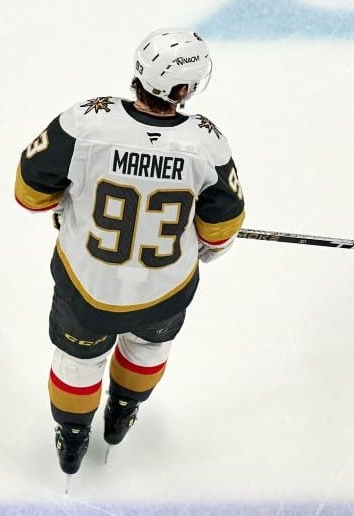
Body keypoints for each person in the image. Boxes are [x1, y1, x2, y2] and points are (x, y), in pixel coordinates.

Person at [14, 28, 245, 482]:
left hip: (86, 290)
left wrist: (66, 201)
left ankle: (72, 438)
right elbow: (221, 229)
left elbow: (28, 192)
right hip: (164, 292)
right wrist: (203, 243)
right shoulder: (206, 141)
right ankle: (122, 413)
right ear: (184, 89)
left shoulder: (85, 121)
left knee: (77, 364)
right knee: (148, 347)